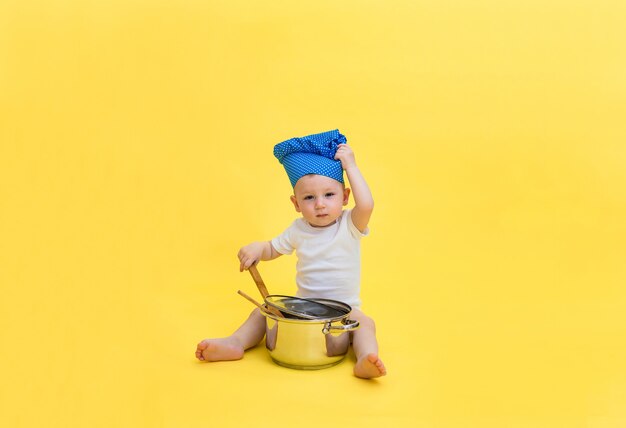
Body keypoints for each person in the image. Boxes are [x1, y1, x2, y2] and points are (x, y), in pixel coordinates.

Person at [195, 130, 386, 379]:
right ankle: (236, 342)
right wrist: (257, 249)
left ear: (345, 197)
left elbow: (367, 205)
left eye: (329, 195)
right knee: (262, 311)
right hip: (303, 309)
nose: (320, 204)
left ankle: (364, 360)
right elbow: (272, 249)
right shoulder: (298, 230)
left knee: (365, 324)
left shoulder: (350, 225)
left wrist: (351, 166)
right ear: (296, 203)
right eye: (309, 197)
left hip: (344, 311)